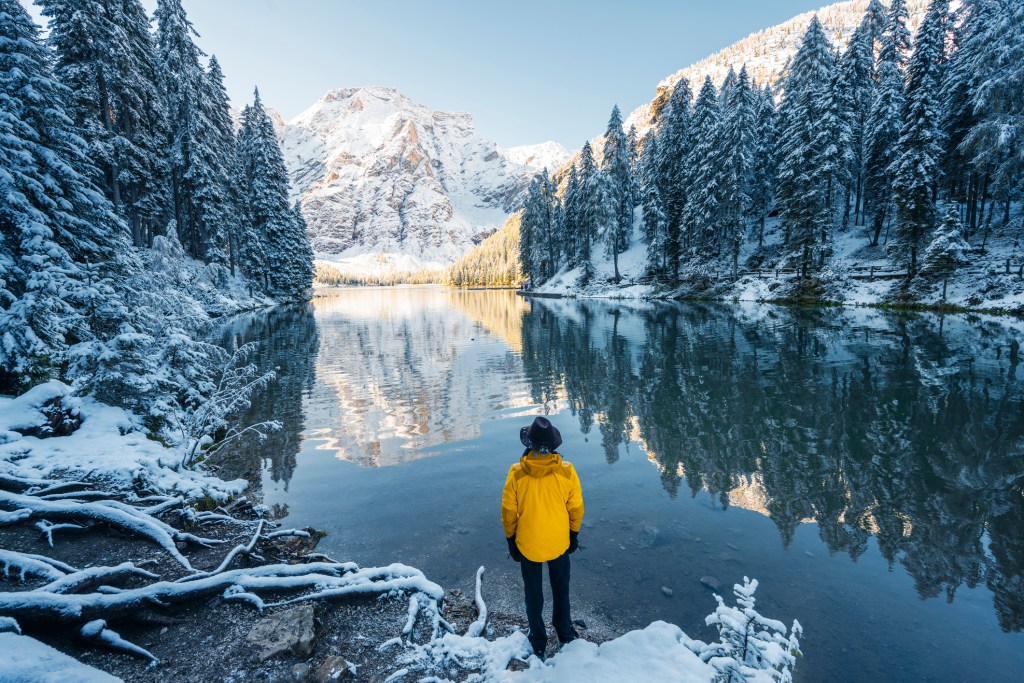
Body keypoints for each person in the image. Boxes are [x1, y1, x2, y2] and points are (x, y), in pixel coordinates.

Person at [501, 416, 584, 659]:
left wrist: (511, 541)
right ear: (554, 446)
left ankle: (538, 639)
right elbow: (576, 508)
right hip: (559, 543)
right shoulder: (567, 471)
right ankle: (565, 632)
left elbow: (508, 513)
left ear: (529, 444)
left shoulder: (516, 474)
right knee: (561, 589)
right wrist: (574, 535)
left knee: (533, 593)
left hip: (529, 545)